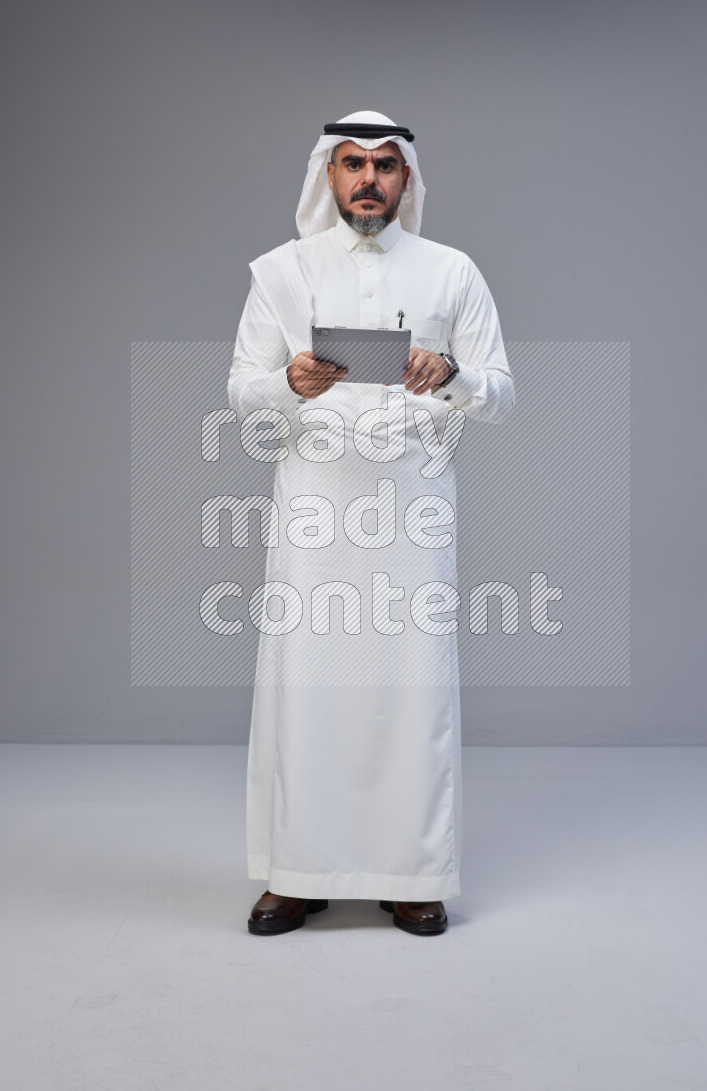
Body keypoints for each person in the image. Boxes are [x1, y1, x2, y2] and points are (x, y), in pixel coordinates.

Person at [227, 110, 514, 936]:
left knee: (410, 684)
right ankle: (295, 870)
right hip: (314, 507)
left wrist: (451, 373)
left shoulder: (452, 272)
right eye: (352, 163)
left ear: (408, 179)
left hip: (412, 508)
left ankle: (413, 871)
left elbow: (501, 392)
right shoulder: (282, 273)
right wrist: (290, 380)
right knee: (304, 683)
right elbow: (241, 389)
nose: (368, 179)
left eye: (386, 166)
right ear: (328, 174)